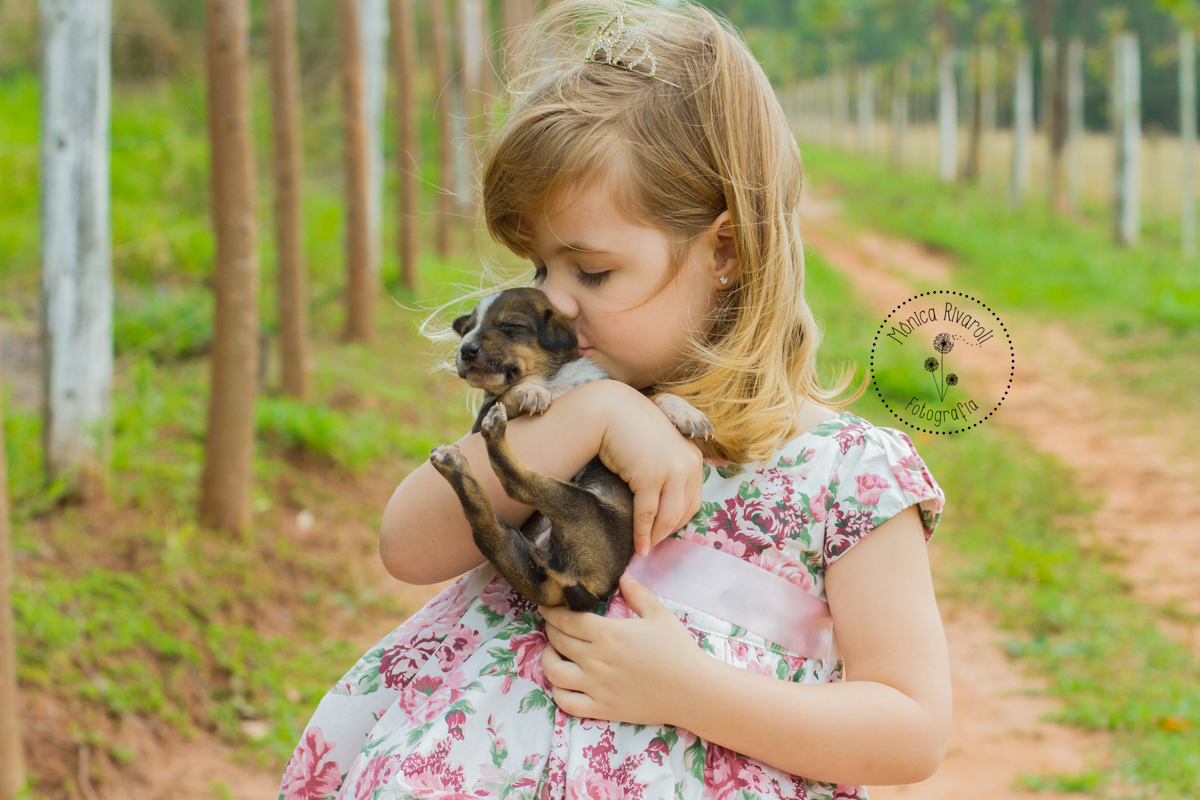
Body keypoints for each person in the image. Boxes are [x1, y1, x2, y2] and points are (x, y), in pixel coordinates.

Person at [277, 0, 951, 797]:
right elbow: (409, 543)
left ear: (726, 251)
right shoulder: (560, 411)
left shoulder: (839, 473)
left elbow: (911, 726)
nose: (555, 301)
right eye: (539, 267)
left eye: (591, 272)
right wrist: (597, 414)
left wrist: (690, 693)